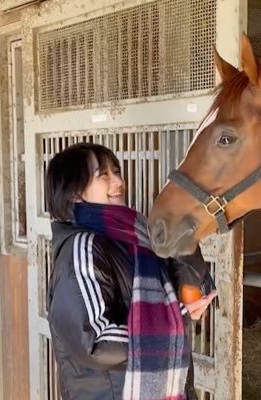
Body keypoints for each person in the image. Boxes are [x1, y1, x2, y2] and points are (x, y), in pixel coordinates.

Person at [45, 143, 217, 400]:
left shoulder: (138, 234)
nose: (118, 180)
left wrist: (180, 228)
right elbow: (95, 340)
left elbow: (190, 289)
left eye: (116, 171)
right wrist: (174, 319)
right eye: (103, 175)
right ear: (73, 194)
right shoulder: (82, 247)